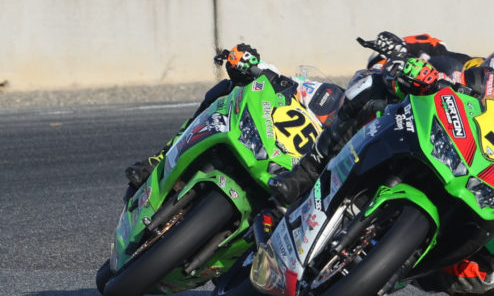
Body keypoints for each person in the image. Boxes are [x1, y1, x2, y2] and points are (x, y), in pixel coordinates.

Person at [268, 32, 494, 296]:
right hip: (436, 143)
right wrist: (405, 66)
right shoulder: (485, 73)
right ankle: (308, 172)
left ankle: (395, 265)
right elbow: (430, 60)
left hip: (478, 205)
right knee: (373, 85)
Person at [123, 43, 344, 192]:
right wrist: (240, 63)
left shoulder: (347, 137)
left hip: (290, 169)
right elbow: (265, 75)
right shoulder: (321, 93)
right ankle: (161, 159)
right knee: (221, 93)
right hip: (256, 140)